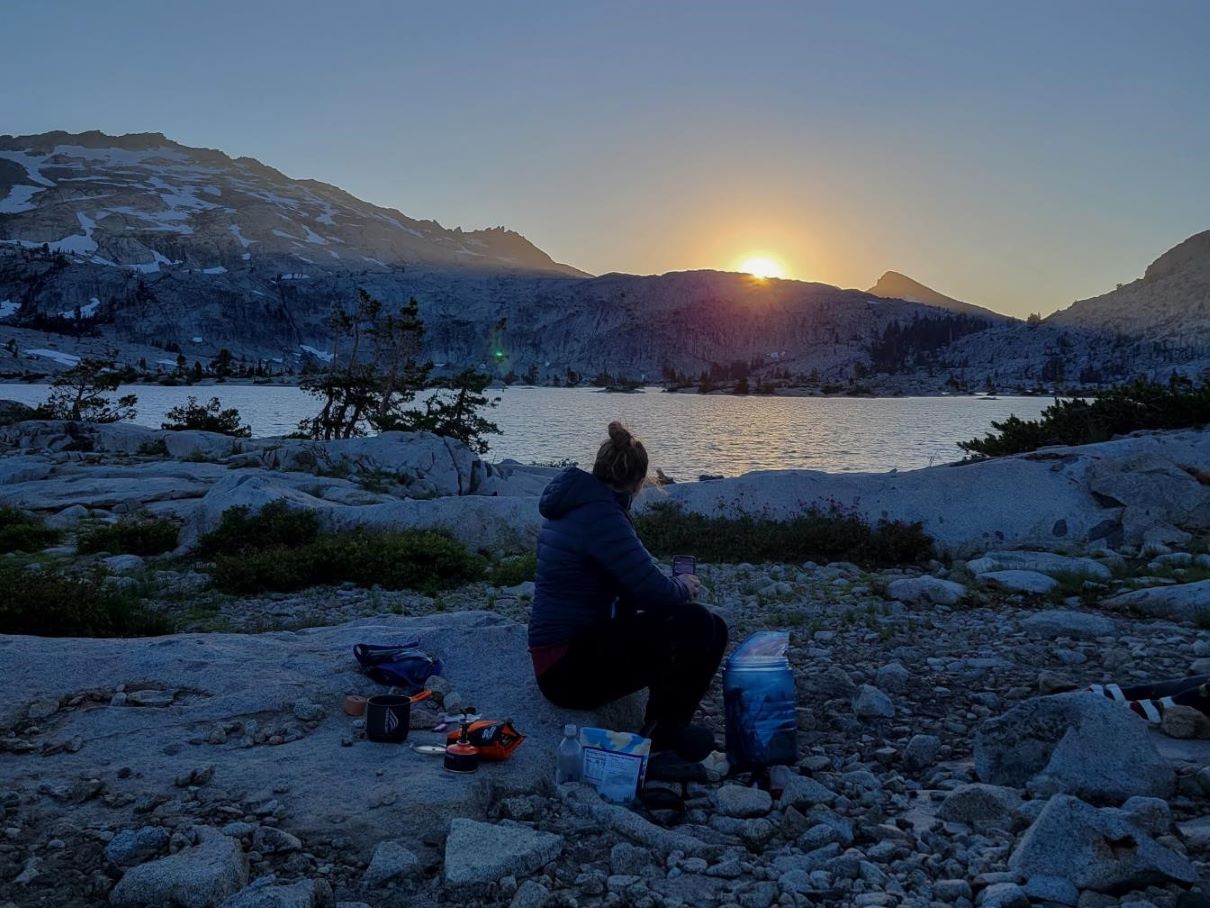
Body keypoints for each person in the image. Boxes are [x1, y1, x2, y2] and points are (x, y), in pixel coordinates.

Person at [528, 421, 728, 760]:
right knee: (696, 623)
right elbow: (656, 592)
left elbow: (634, 581)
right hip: (566, 670)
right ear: (638, 484)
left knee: (715, 628)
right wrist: (682, 585)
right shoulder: (602, 515)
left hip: (571, 650)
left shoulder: (579, 503)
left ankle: (667, 726)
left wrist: (665, 589)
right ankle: (662, 738)